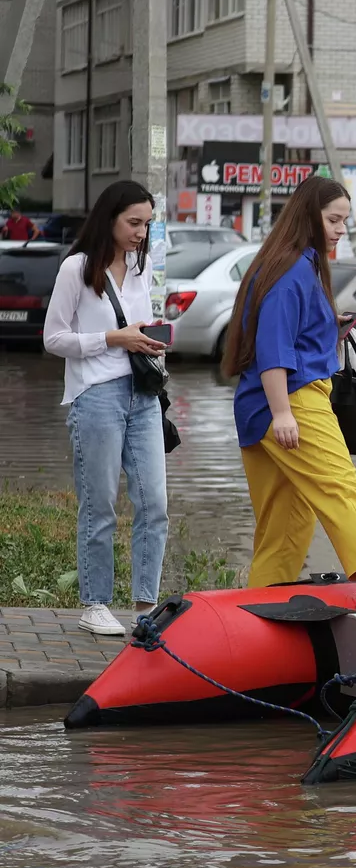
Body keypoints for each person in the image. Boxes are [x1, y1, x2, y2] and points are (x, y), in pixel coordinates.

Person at [220, 176, 356, 631]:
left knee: (285, 526)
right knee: (344, 493)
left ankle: (250, 619)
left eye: (344, 221)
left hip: (264, 407)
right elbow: (274, 348)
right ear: (307, 215)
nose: (338, 229)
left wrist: (326, 325)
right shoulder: (292, 271)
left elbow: (279, 335)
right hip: (292, 401)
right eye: (333, 220)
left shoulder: (288, 266)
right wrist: (284, 414)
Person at [42, 182, 169, 636]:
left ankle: (144, 607)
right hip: (95, 396)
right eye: (133, 222)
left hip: (143, 394)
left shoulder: (142, 263)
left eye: (146, 224)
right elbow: (52, 339)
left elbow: (138, 323)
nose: (141, 232)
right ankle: (95, 603)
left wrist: (151, 338)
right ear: (109, 218)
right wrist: (113, 339)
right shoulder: (77, 268)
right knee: (100, 506)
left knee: (154, 503)